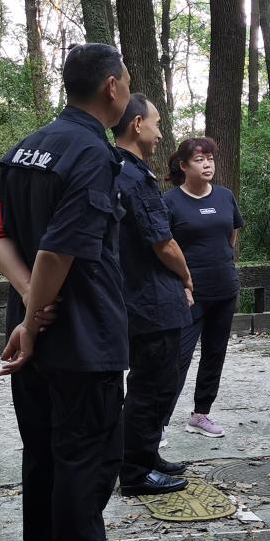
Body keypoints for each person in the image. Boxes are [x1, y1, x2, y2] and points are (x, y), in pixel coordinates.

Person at [0, 43, 149, 541]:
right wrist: (36, 319)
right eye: (126, 80)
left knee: (42, 451)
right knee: (88, 457)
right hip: (80, 337)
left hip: (29, 335)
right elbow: (59, 249)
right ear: (112, 87)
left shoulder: (24, 149)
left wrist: (27, 307)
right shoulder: (92, 155)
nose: (127, 89)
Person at [111, 93, 193, 495]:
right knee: (152, 385)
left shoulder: (115, 169)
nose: (160, 133)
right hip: (151, 299)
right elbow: (163, 242)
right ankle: (135, 471)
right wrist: (187, 276)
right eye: (157, 123)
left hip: (138, 294)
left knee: (154, 383)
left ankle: (145, 454)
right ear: (137, 124)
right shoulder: (133, 176)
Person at [160, 137, 243, 441]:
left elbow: (231, 235)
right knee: (177, 359)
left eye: (210, 158)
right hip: (187, 295)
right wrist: (180, 284)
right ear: (183, 166)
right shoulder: (169, 202)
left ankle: (200, 414)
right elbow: (162, 247)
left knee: (214, 354)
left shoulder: (225, 196)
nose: (207, 164)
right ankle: (158, 423)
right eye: (199, 159)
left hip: (224, 289)